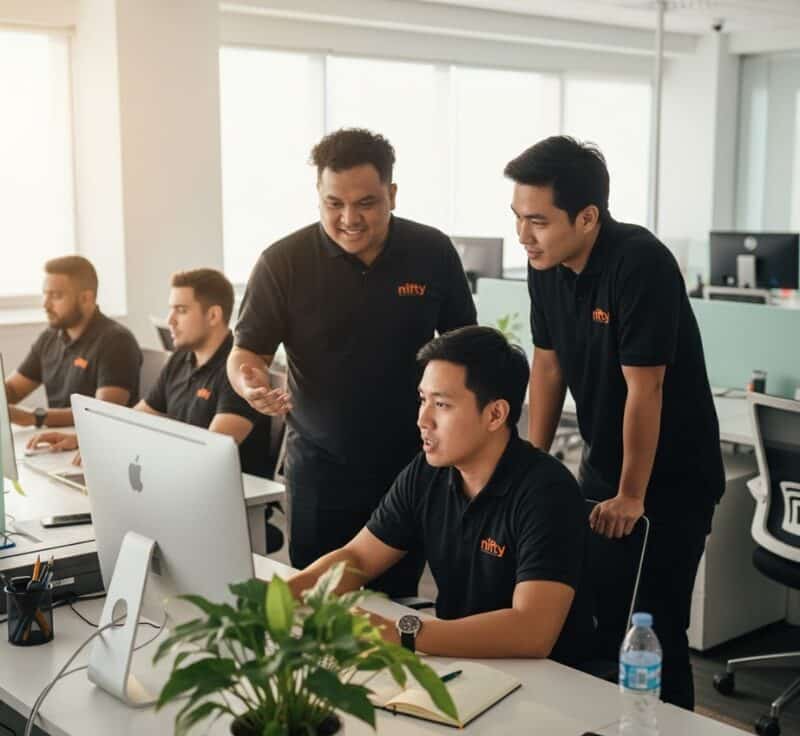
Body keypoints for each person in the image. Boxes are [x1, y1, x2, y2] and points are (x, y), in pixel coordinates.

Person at [505, 135, 725, 709]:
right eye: (517, 218)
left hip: (670, 481)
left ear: (587, 216)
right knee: (598, 621)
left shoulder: (639, 262)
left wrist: (632, 494)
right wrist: (528, 462)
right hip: (606, 466)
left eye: (537, 221)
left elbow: (645, 387)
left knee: (653, 630)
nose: (523, 235)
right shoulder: (545, 265)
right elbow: (547, 366)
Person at [227, 128, 476, 597]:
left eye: (365, 203)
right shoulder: (283, 262)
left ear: (392, 195)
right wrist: (249, 383)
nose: (349, 219)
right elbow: (246, 353)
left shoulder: (431, 252)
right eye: (334, 204)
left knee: (399, 602)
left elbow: (464, 347)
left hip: (413, 464)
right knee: (317, 604)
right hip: (321, 467)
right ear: (318, 197)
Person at [287, 326, 593, 664]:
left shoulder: (546, 491)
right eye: (423, 400)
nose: (422, 419)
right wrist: (285, 595)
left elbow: (531, 631)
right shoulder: (429, 471)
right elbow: (358, 558)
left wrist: (400, 632)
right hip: (459, 662)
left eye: (442, 405)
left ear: (495, 414)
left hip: (550, 685)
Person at [28, 269, 271, 478]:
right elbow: (137, 417)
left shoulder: (239, 371)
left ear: (213, 315)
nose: (170, 320)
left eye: (181, 310)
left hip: (233, 506)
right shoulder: (181, 358)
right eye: (170, 309)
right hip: (180, 485)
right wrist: (88, 439)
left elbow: (212, 452)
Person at [5, 256, 141, 429]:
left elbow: (102, 413)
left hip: (95, 442)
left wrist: (35, 417)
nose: (46, 305)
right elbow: (15, 389)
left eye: (56, 296)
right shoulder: (49, 338)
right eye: (45, 295)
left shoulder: (117, 342)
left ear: (86, 298)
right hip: (55, 442)